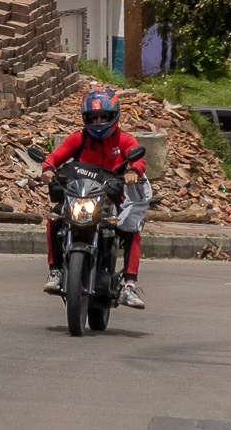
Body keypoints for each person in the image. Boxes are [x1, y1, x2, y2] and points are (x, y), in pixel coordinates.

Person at [41, 87, 150, 310]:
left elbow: (137, 158)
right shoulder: (78, 139)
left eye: (103, 116)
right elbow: (54, 157)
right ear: (86, 118)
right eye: (93, 117)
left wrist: (133, 172)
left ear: (114, 116)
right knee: (54, 218)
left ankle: (129, 284)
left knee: (132, 229)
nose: (99, 121)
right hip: (80, 197)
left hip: (112, 199)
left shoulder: (124, 140)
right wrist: (48, 169)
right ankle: (56, 270)